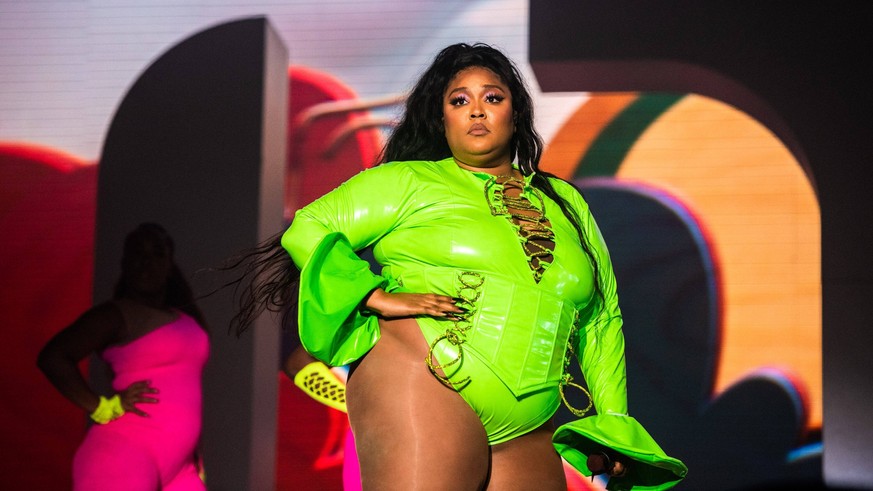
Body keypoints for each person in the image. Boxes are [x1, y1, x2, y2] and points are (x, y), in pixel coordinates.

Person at [228, 42, 687, 490]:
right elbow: (308, 227)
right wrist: (372, 295)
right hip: (423, 376)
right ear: (441, 116)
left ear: (516, 111)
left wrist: (613, 422)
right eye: (459, 100)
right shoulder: (407, 180)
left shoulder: (566, 203)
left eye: (492, 97)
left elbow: (602, 320)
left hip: (532, 418)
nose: (477, 110)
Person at [37, 222, 209, 491]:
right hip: (123, 454)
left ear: (169, 263)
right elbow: (53, 357)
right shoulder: (115, 315)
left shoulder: (185, 317)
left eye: (156, 254)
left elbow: (186, 390)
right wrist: (102, 407)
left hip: (180, 464)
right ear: (125, 262)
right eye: (137, 254)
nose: (146, 262)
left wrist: (190, 450)